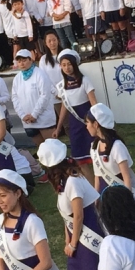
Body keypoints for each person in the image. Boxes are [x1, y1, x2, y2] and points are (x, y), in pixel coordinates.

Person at [37, 139, 110, 270]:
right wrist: (67, 239)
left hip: (88, 235)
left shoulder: (73, 181)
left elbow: (79, 215)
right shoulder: (63, 182)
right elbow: (67, 217)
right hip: (76, 236)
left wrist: (74, 242)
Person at [86, 104, 135, 206]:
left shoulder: (117, 146)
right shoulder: (94, 147)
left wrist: (127, 201)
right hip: (104, 197)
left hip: (119, 196)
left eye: (88, 122)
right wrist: (96, 200)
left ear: (96, 124)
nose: (86, 126)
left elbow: (126, 178)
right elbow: (97, 176)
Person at [53, 50, 97, 182]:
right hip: (74, 124)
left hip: (88, 120)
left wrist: (97, 121)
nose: (67, 68)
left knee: (96, 154)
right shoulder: (61, 86)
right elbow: (64, 107)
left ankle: (101, 183)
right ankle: (92, 187)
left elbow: (93, 103)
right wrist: (58, 127)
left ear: (74, 65)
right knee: (80, 159)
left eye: (69, 64)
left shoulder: (85, 81)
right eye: (64, 65)